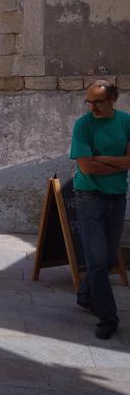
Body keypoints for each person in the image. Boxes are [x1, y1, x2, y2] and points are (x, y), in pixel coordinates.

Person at [70, 80, 130, 339]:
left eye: (98, 101)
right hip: (89, 197)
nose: (92, 106)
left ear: (112, 100)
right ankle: (108, 317)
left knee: (107, 259)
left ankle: (85, 295)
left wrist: (101, 158)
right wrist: (120, 163)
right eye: (89, 101)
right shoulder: (83, 125)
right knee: (96, 259)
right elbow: (86, 168)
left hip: (117, 196)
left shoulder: (126, 122)